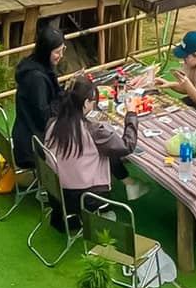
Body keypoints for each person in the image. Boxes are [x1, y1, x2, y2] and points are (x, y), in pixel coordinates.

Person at [41, 75, 137, 228]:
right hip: (86, 197)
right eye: (93, 102)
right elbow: (127, 146)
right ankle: (103, 210)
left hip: (56, 191)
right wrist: (131, 114)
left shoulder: (52, 123)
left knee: (100, 150)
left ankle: (129, 184)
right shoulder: (93, 130)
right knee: (106, 152)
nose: (93, 106)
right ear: (86, 103)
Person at [12, 17, 66, 170]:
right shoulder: (37, 79)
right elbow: (44, 118)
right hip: (32, 147)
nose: (61, 55)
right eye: (57, 52)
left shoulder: (33, 64)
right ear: (46, 51)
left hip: (25, 135)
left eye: (63, 50)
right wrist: (63, 97)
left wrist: (64, 90)